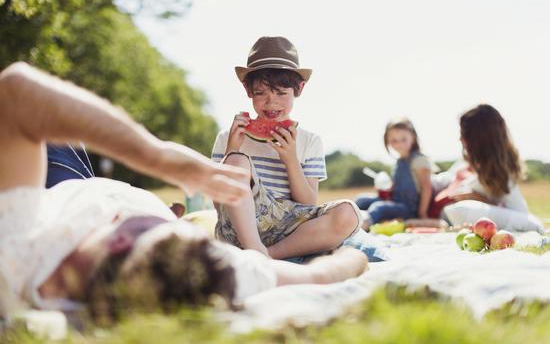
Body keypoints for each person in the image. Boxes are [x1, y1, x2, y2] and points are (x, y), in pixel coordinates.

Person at [0, 62, 368, 322]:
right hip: (257, 236)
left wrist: (162, 158)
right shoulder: (206, 270)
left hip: (61, 191)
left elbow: (15, 89)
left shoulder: (17, 251)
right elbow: (330, 272)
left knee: (54, 126)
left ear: (114, 228)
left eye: (143, 224)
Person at [211, 36, 362, 259]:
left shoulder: (310, 141)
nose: (271, 103)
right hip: (240, 230)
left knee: (349, 213)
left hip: (290, 232)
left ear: (299, 88)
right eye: (261, 93)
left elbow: (307, 203)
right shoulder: (228, 137)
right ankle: (253, 247)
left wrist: (291, 159)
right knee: (236, 161)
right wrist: (232, 151)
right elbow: (217, 201)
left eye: (281, 93)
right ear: (248, 90)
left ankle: (266, 256)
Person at [355, 118, 434, 228]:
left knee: (378, 207)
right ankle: (349, 221)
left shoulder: (419, 160)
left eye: (403, 139)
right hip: (394, 201)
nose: (399, 144)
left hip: (409, 208)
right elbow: (397, 187)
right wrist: (386, 189)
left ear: (413, 138)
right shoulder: (398, 162)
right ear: (387, 141)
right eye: (394, 141)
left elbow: (426, 187)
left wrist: (422, 213)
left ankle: (361, 227)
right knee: (361, 199)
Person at [449, 104, 528, 210]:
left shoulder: (502, 173)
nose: (460, 138)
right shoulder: (467, 165)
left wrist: (475, 198)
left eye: (464, 133)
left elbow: (513, 211)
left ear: (477, 137)